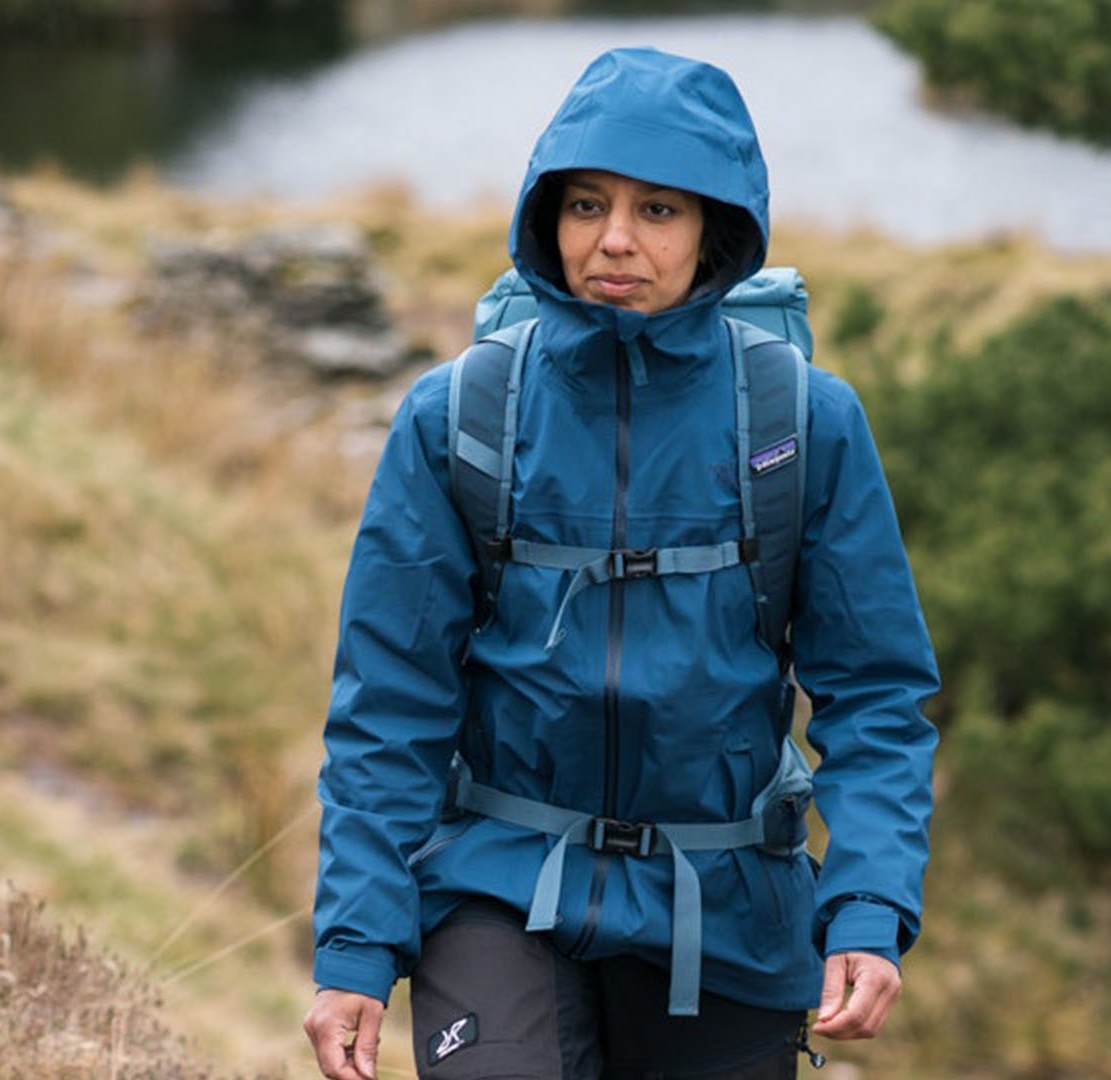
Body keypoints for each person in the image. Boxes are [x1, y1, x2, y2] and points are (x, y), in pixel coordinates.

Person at [304, 46, 939, 1080]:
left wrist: (868, 902)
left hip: (727, 904)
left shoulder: (803, 423)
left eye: (658, 210)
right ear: (545, 217)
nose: (613, 239)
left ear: (715, 230)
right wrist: (356, 946)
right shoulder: (457, 416)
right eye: (587, 204)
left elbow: (875, 695)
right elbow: (388, 703)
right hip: (497, 883)